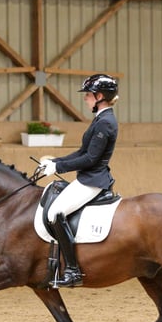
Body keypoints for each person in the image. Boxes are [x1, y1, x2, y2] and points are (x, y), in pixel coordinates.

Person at [39, 73, 119, 288]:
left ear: (99, 96)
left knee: (56, 213)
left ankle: (73, 270)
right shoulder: (100, 119)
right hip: (88, 177)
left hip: (93, 180)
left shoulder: (106, 122)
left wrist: (58, 167)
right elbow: (82, 151)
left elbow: (90, 158)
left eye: (88, 95)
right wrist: (55, 161)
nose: (85, 99)